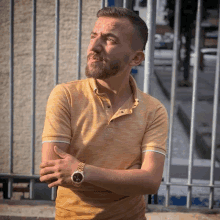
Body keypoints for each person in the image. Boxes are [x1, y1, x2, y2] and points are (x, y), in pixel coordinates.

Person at [40, 7, 168, 220]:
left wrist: (81, 171)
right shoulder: (66, 96)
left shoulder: (154, 110)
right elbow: (52, 172)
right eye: (93, 36)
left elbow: (150, 182)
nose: (94, 46)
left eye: (110, 40)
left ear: (136, 59)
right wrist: (129, 176)